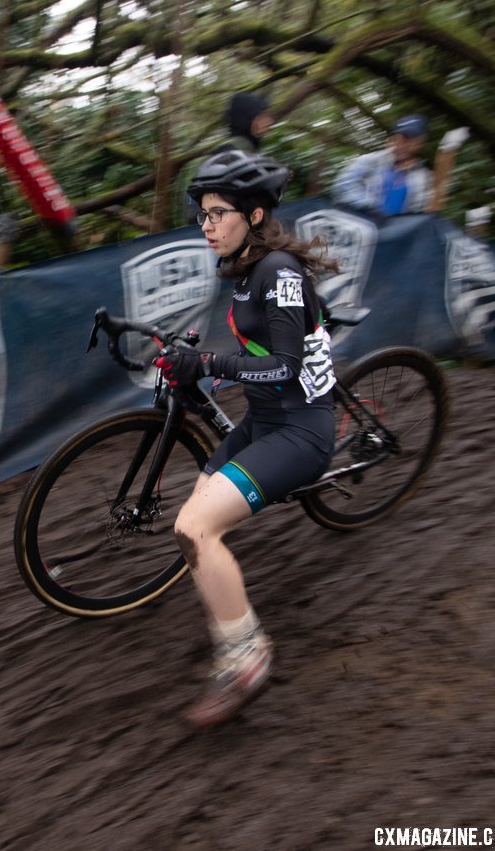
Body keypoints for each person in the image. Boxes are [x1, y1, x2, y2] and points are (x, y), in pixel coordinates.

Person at [155, 149, 340, 728]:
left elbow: (283, 366)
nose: (206, 227)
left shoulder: (276, 272)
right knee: (191, 526)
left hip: (299, 430)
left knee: (195, 527)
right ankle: (230, 625)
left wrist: (208, 361)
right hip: (265, 420)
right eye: (202, 216)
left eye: (217, 214)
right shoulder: (245, 265)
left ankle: (247, 653)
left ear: (254, 215)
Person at [179, 92, 275, 223]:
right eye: (261, 116)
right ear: (248, 119)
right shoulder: (236, 152)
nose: (269, 121)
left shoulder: (233, 148)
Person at [332, 114, 432, 215]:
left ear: (420, 142)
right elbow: (342, 185)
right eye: (400, 137)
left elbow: (419, 210)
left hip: (397, 229)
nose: (402, 143)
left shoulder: (422, 176)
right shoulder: (369, 160)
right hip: (360, 222)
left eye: (409, 139)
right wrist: (369, 207)